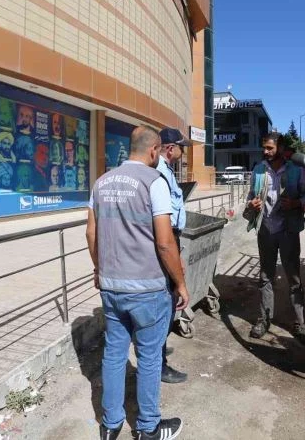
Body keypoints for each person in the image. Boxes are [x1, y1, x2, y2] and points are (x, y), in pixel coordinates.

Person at [86, 125, 189, 440]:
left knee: (114, 354)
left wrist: (99, 268)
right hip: (147, 290)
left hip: (112, 288)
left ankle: (110, 425)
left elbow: (91, 233)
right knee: (148, 357)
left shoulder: (101, 182)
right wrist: (181, 283)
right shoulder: (153, 182)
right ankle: (148, 429)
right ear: (155, 150)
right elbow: (164, 242)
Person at [244, 132, 305, 344]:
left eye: (270, 148)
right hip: (265, 230)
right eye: (264, 148)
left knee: (294, 279)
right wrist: (251, 205)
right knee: (266, 277)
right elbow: (250, 197)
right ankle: (264, 319)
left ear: (281, 148)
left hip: (288, 231)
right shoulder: (258, 170)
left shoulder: (296, 170)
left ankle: (300, 323)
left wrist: (295, 204)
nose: (265, 152)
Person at [156, 127, 191, 384]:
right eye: (181, 147)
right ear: (170, 148)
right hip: (167, 238)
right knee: (167, 301)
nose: (182, 151)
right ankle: (158, 364)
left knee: (168, 300)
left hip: (171, 236)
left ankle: (157, 348)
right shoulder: (159, 173)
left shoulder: (167, 171)